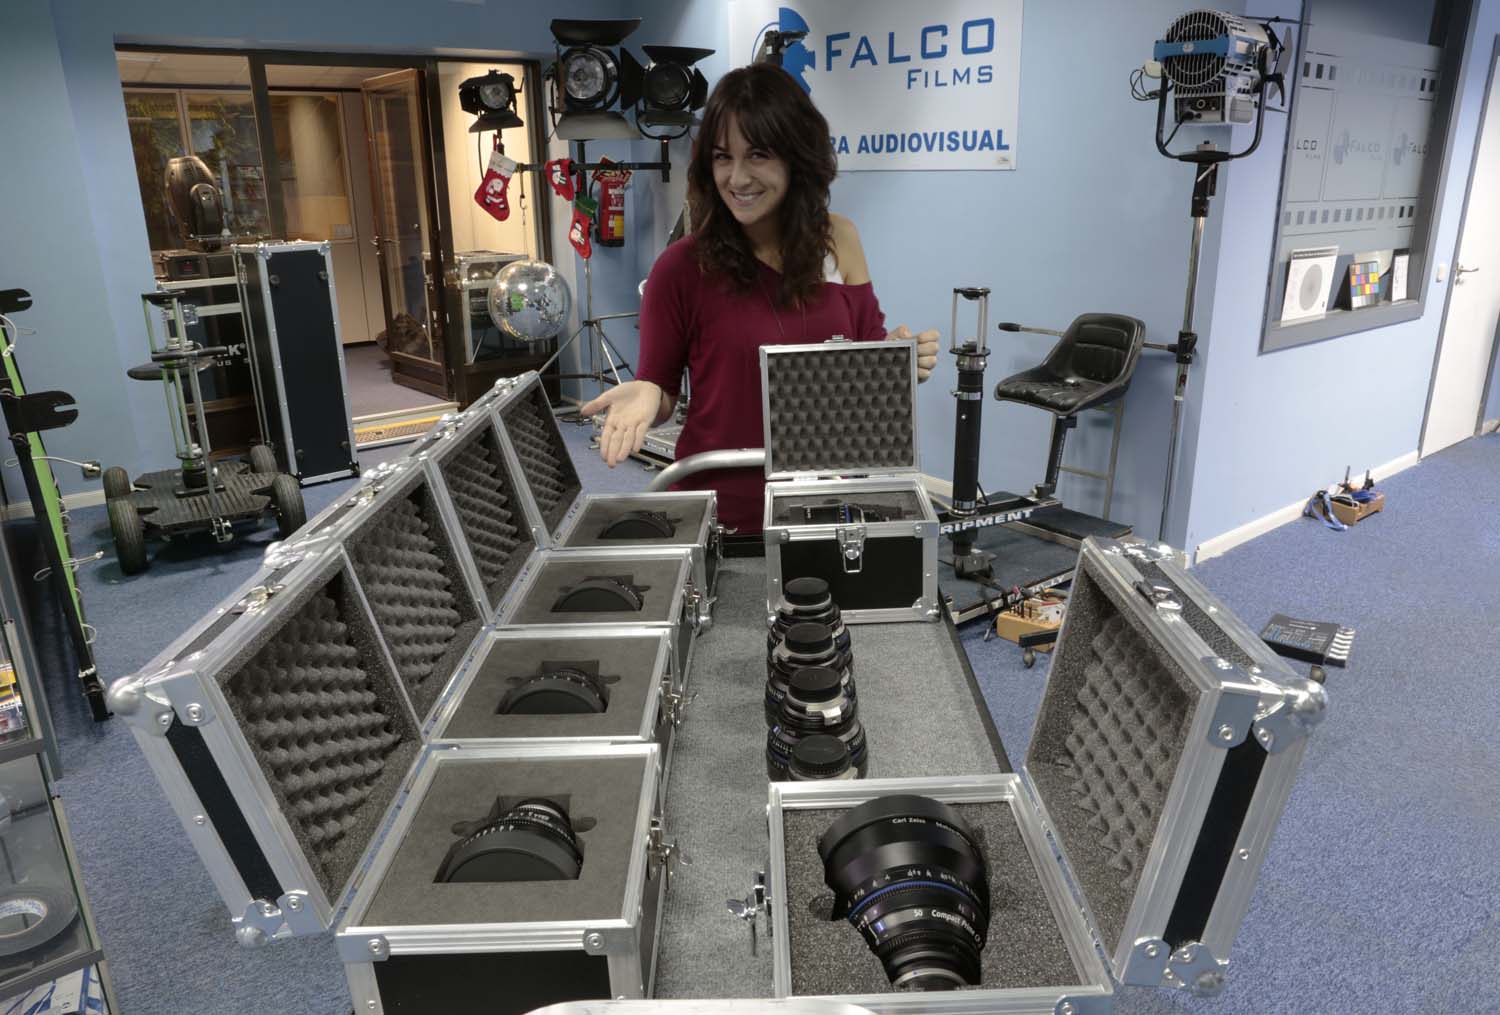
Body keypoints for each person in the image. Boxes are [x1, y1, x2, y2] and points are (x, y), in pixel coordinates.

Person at [580, 63, 940, 535]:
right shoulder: (681, 268)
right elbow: (662, 392)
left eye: (758, 155)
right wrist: (649, 391)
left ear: (797, 156)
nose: (737, 178)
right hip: (722, 516)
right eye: (722, 157)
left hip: (828, 510)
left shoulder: (840, 240)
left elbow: (862, 348)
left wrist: (896, 356)